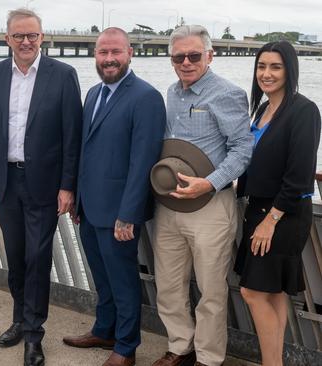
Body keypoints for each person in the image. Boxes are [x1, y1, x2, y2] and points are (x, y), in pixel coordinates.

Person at [0, 8, 83, 366]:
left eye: (32, 35)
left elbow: (73, 136)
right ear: (6, 39)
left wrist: (68, 186)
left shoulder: (64, 75)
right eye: (18, 35)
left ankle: (34, 335)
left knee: (38, 258)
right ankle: (20, 320)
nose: (26, 42)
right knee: (16, 258)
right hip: (6, 182)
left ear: (42, 37)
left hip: (44, 185)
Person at [62, 28, 166, 366]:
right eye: (103, 52)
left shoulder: (146, 97)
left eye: (115, 52)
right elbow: (85, 151)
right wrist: (77, 200)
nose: (109, 59)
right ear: (95, 54)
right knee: (101, 277)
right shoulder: (93, 93)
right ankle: (104, 329)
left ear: (130, 52)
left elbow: (143, 162)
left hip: (120, 213)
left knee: (122, 281)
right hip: (90, 209)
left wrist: (129, 214)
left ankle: (125, 347)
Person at [151, 25, 253, 366]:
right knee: (168, 282)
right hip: (168, 205)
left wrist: (209, 183)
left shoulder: (228, 93)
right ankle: (179, 346)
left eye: (194, 55)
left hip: (210, 206)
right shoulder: (170, 92)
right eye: (179, 57)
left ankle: (209, 358)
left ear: (209, 56)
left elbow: (242, 150)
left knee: (211, 289)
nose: (186, 62)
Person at [234, 41, 321, 366]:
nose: (266, 74)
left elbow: (299, 176)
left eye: (275, 67)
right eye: (261, 66)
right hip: (258, 208)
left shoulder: (303, 110)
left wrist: (270, 221)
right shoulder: (263, 109)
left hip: (282, 215)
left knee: (252, 292)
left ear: (290, 71)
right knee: (271, 293)